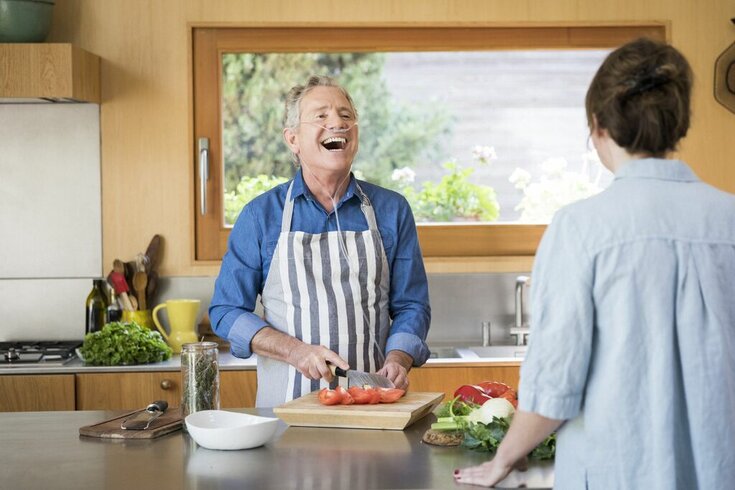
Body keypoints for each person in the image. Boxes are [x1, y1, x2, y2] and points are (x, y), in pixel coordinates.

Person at [455, 38, 735, 489]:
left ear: (599, 126)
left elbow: (553, 389)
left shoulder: (580, 228)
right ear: (679, 124)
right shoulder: (730, 220)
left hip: (615, 472)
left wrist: (502, 459)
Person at [210, 75, 431, 408]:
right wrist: (295, 351)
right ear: (293, 139)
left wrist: (399, 358)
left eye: (346, 115)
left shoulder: (391, 210)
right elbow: (226, 311)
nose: (337, 123)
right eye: (321, 115)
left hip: (372, 407)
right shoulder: (261, 216)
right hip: (286, 412)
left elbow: (412, 304)